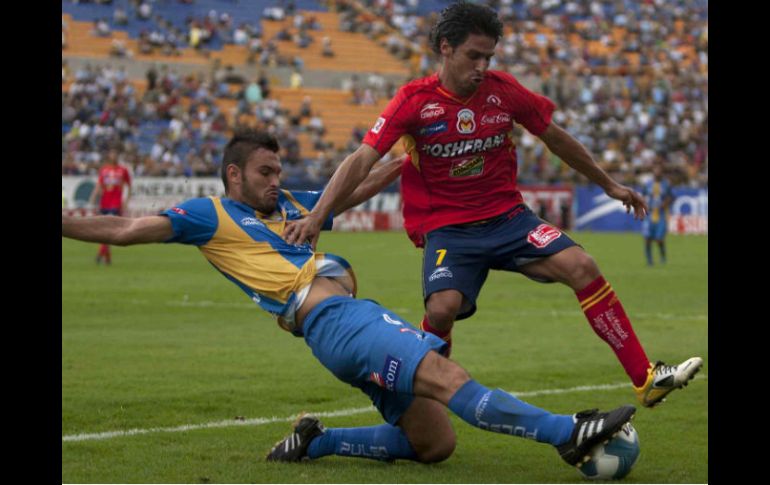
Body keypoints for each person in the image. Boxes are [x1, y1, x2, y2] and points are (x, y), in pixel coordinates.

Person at [63, 129, 635, 468]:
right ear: (233, 175)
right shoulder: (205, 215)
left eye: (279, 170)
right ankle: (569, 435)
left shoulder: (289, 204)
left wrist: (405, 155)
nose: (275, 179)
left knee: (434, 443)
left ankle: (318, 441)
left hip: (338, 331)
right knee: (445, 374)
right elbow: (123, 229)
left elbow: (354, 188)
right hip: (336, 318)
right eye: (264, 172)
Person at [282, 1, 702, 409]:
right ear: (445, 47)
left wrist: (608, 184)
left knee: (583, 266)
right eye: (473, 56)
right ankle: (431, 399)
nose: (482, 66)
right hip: (448, 228)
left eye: (489, 57)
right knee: (442, 308)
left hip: (508, 219)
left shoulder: (503, 92)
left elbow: (554, 136)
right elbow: (362, 159)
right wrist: (318, 216)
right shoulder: (414, 101)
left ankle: (645, 378)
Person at [88, 148, 131, 265]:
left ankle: (100, 254)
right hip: (104, 203)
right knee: (105, 230)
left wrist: (126, 201)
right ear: (109, 156)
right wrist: (93, 198)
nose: (114, 156)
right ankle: (106, 256)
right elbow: (99, 185)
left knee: (110, 230)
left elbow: (129, 186)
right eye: (112, 154)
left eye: (116, 154)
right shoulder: (104, 170)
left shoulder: (123, 170)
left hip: (116, 204)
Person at [640, 164, 674, 266]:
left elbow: (671, 197)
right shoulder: (647, 184)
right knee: (647, 239)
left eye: (659, 170)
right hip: (649, 215)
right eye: (656, 169)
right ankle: (649, 261)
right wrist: (645, 205)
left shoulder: (666, 184)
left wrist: (664, 204)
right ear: (653, 171)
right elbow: (643, 197)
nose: (657, 172)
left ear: (662, 172)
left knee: (659, 239)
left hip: (661, 215)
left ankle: (663, 257)